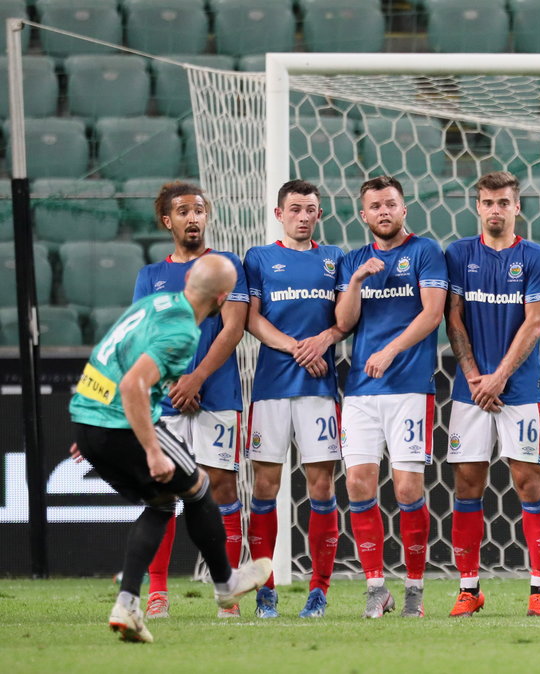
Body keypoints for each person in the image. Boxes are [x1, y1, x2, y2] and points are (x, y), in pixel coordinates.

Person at [70, 254, 271, 643]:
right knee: (196, 488)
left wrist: (88, 419)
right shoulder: (184, 332)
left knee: (161, 502)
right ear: (225, 297)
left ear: (190, 277)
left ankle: (127, 604)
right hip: (120, 420)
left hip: (88, 414)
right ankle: (226, 584)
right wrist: (153, 450)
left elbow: (110, 352)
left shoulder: (154, 303)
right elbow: (132, 386)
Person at [133, 182, 250, 619]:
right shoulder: (151, 276)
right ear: (168, 221)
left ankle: (227, 595)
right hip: (166, 400)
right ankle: (158, 594)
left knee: (221, 489)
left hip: (217, 394)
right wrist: (174, 380)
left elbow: (233, 328)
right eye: (183, 211)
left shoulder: (227, 267)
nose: (193, 217)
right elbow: (145, 335)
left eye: (199, 210)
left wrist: (196, 376)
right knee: (163, 491)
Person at [444, 171, 540, 617]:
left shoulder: (537, 257)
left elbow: (535, 322)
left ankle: (539, 590)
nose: (495, 210)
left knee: (529, 482)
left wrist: (499, 377)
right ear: (477, 206)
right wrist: (475, 378)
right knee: (468, 483)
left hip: (520, 390)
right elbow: (453, 319)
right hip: (470, 391)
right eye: (487, 202)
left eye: (503, 203)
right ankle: (469, 589)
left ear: (517, 207)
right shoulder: (457, 254)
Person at [334, 176, 447, 619]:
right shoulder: (353, 261)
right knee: (358, 484)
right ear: (364, 216)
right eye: (375, 206)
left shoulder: (425, 252)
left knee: (406, 488)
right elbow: (343, 323)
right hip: (361, 391)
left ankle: (415, 589)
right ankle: (376, 588)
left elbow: (433, 312)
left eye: (391, 204)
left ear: (405, 210)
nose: (384, 211)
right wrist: (356, 281)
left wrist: (391, 349)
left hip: (409, 388)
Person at [242, 180, 345, 619]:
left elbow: (346, 319)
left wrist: (323, 340)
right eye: (296, 208)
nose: (303, 216)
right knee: (265, 487)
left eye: (311, 209)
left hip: (320, 390)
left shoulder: (334, 258)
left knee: (321, 487)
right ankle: (265, 590)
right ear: (278, 213)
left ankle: (318, 590)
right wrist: (296, 348)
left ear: (319, 215)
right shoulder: (259, 258)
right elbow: (251, 319)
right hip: (270, 388)